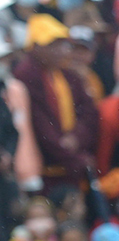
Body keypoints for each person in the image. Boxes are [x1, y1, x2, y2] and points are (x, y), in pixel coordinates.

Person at [12, 15, 99, 194]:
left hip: (71, 159)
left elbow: (89, 112)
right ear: (34, 47)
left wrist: (76, 137)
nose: (60, 51)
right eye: (52, 45)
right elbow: (40, 123)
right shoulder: (26, 75)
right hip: (47, 167)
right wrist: (70, 154)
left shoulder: (68, 74)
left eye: (62, 44)